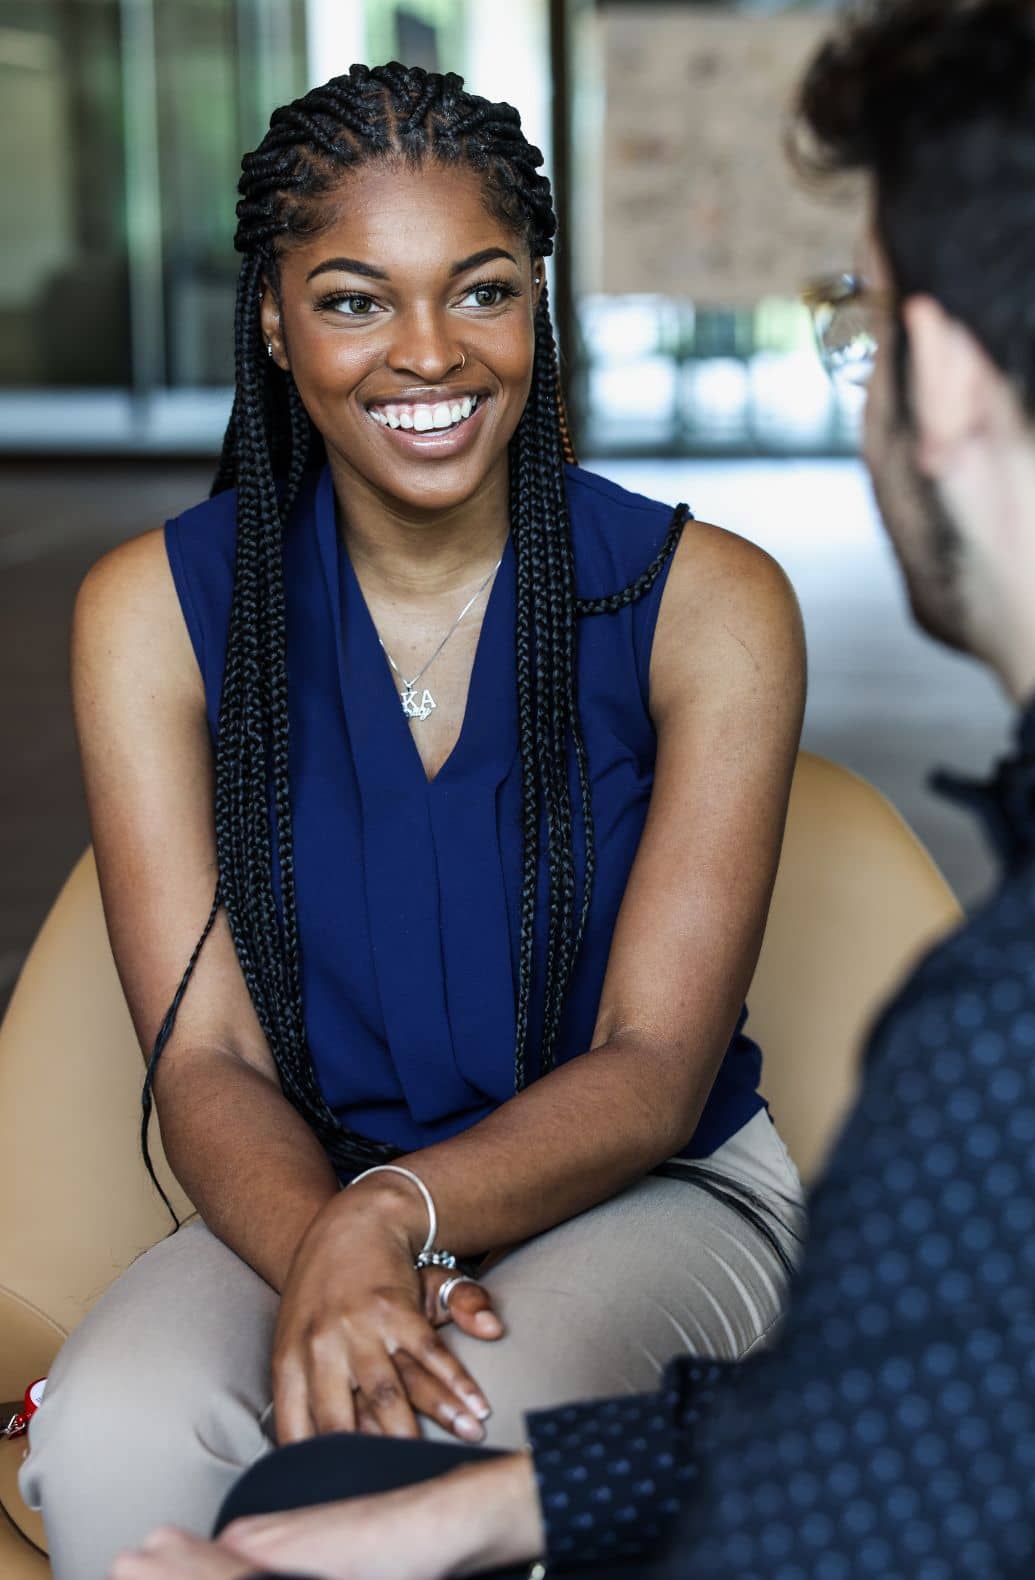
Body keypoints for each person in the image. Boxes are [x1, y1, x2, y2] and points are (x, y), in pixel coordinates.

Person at [111, 0, 1035, 1575]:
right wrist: (477, 1497)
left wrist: (340, 1502)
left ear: (935, 375)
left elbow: (857, 1499)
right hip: (358, 1221)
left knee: (314, 1492)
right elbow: (946, 1407)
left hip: (612, 1211)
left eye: (853, 318)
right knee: (149, 1448)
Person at [21, 63, 809, 1580]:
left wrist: (391, 1221)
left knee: (428, 1447)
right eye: (354, 299)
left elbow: (653, 1071)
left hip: (651, 1192)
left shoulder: (707, 605)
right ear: (272, 318)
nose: (431, 353)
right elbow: (208, 1055)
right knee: (114, 1433)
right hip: (301, 1182)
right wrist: (335, 1233)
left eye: (483, 290)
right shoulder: (156, 615)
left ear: (539, 305)